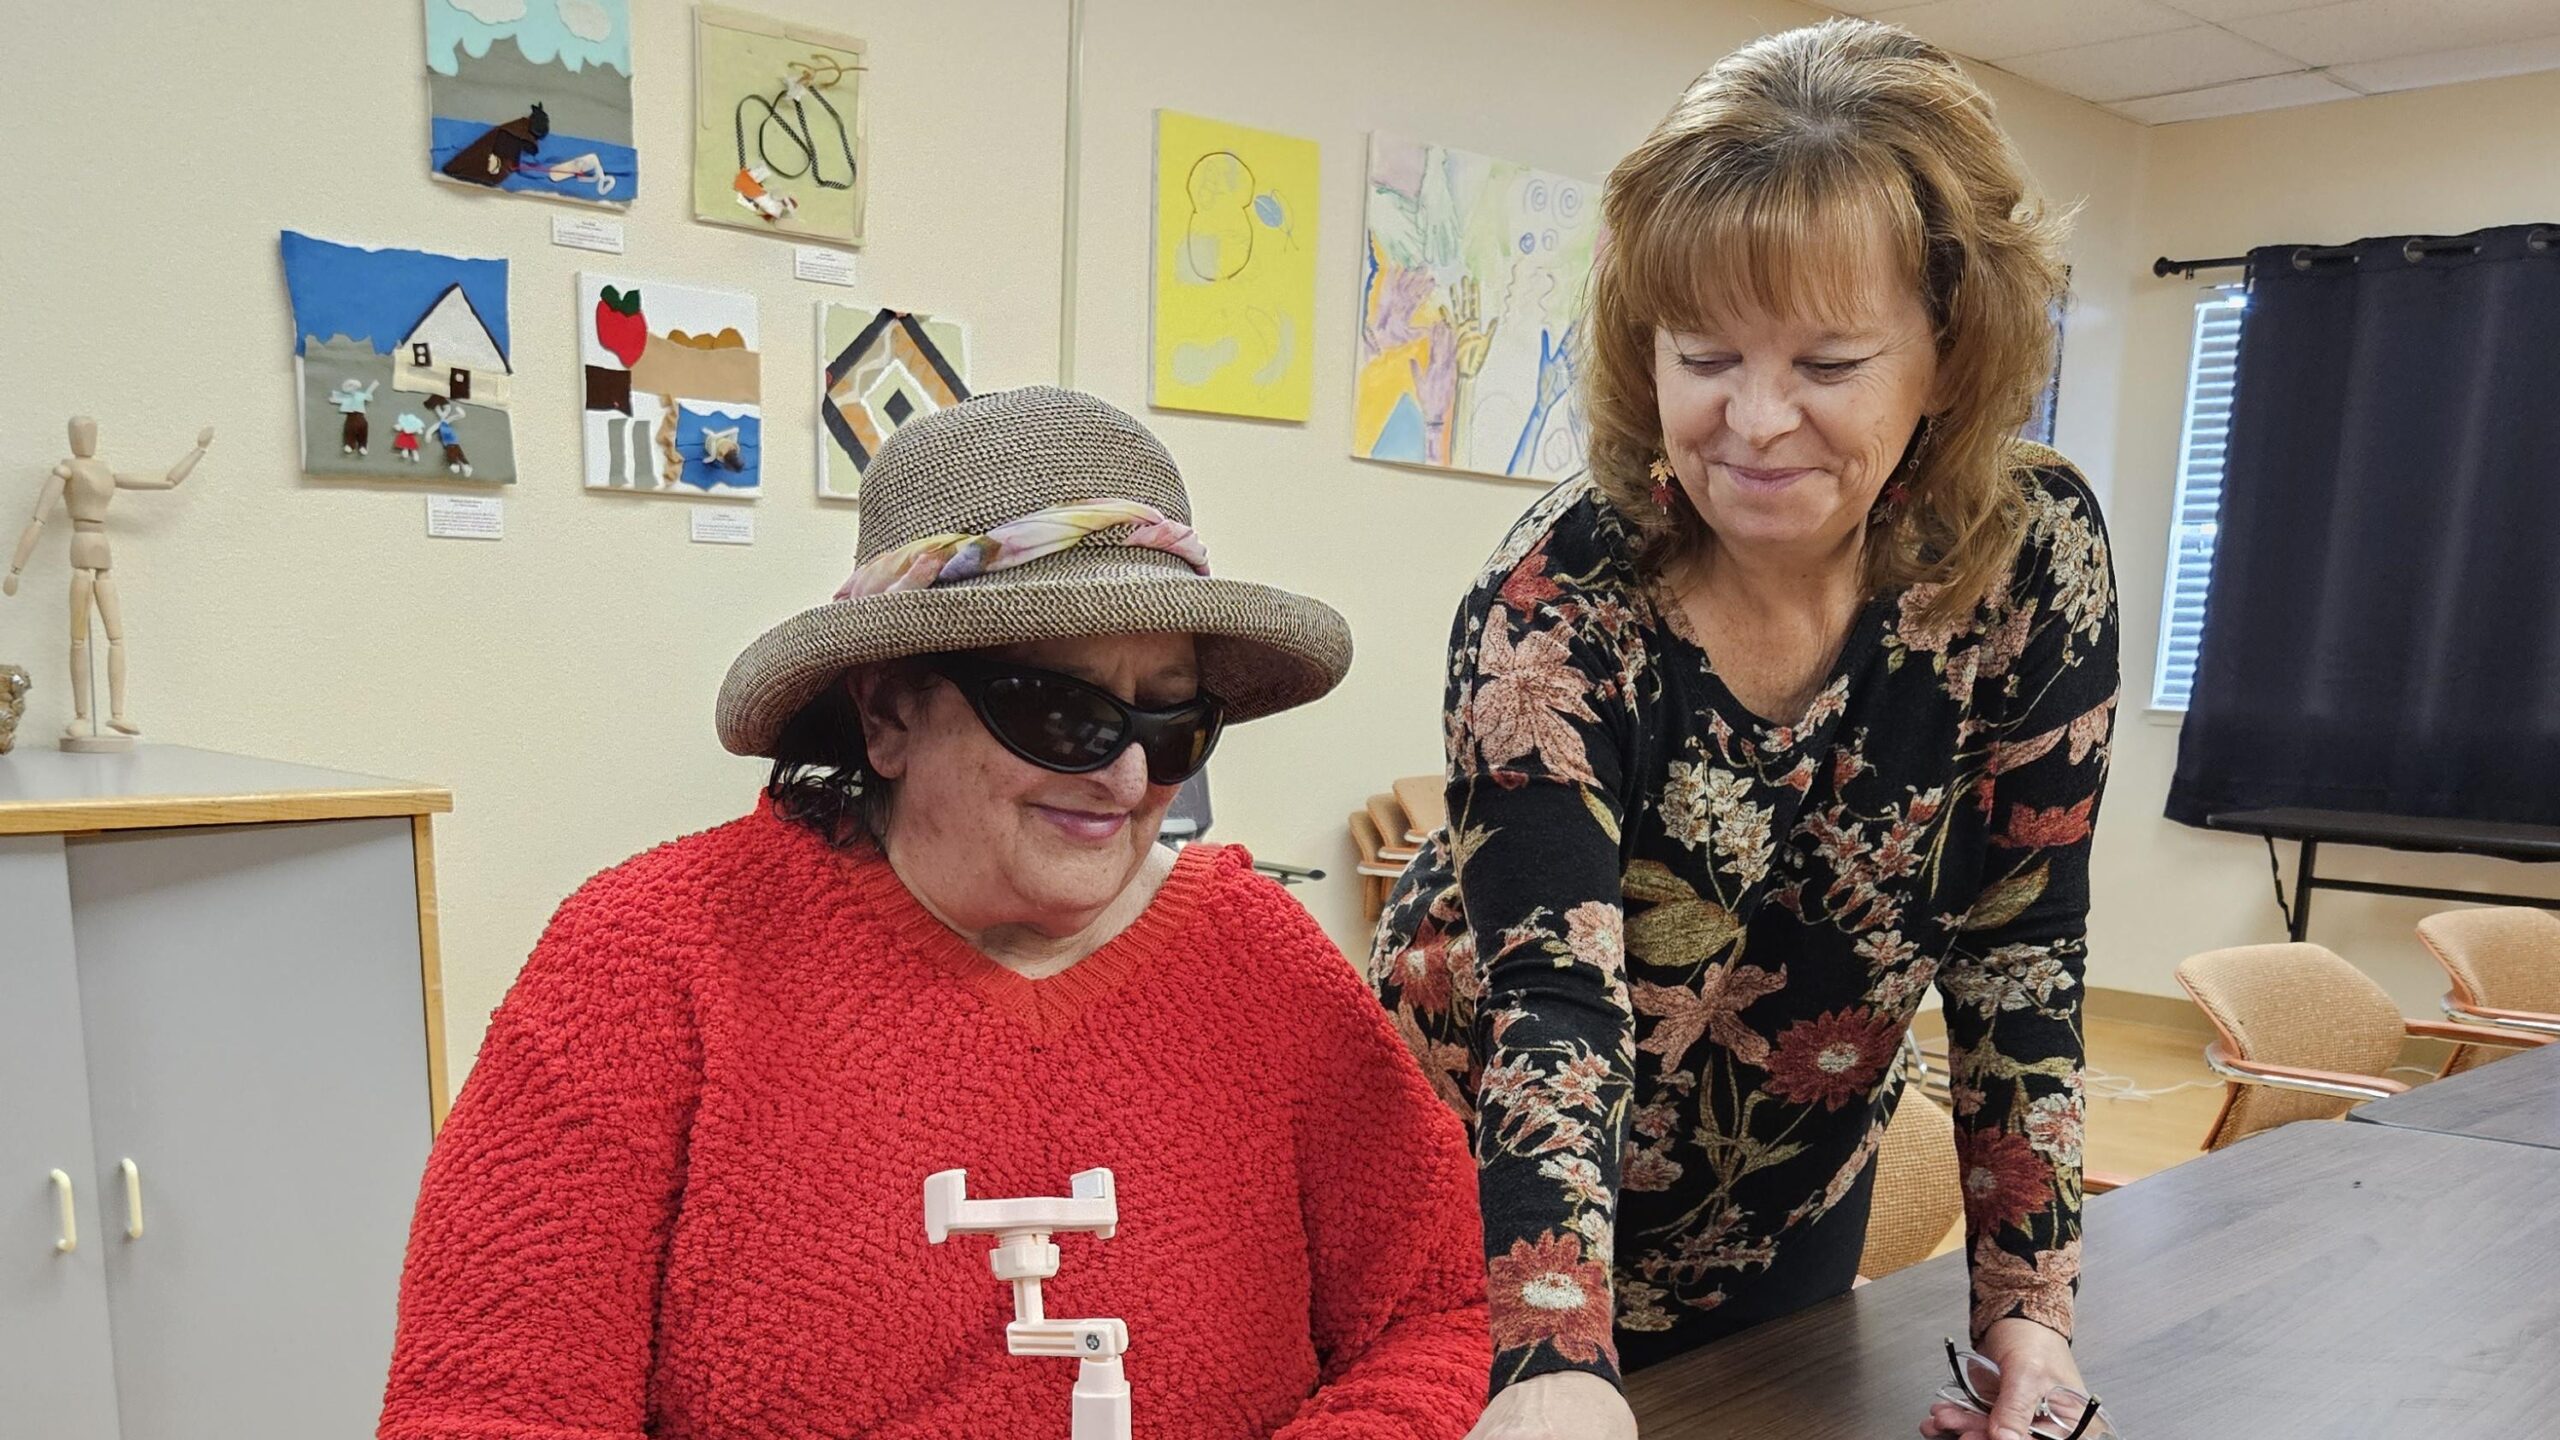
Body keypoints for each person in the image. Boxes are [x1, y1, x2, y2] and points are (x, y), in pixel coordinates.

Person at [380, 387, 1491, 1440]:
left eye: (1170, 726)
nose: (1123, 779)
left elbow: (1438, 1313)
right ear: (887, 714)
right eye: (1060, 713)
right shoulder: (649, 958)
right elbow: (490, 1401)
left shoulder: (1264, 961)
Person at [1368, 19, 2118, 1440]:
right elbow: (1556, 1008)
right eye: (1703, 352)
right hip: (1472, 1202)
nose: (1755, 421)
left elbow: (2023, 951)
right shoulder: (1555, 611)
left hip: (1775, 1199)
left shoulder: (2034, 565)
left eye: (1829, 363)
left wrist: (2028, 1316)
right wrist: (1552, 1369)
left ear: (1948, 359)